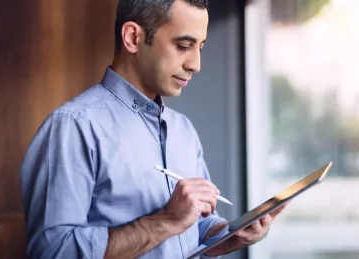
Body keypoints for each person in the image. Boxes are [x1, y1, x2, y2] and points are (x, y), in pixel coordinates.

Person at [19, 0, 288, 258]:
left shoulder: (184, 130)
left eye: (200, 48)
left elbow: (197, 229)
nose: (196, 64)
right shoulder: (73, 127)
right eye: (183, 45)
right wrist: (167, 220)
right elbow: (53, 252)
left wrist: (233, 235)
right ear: (133, 38)